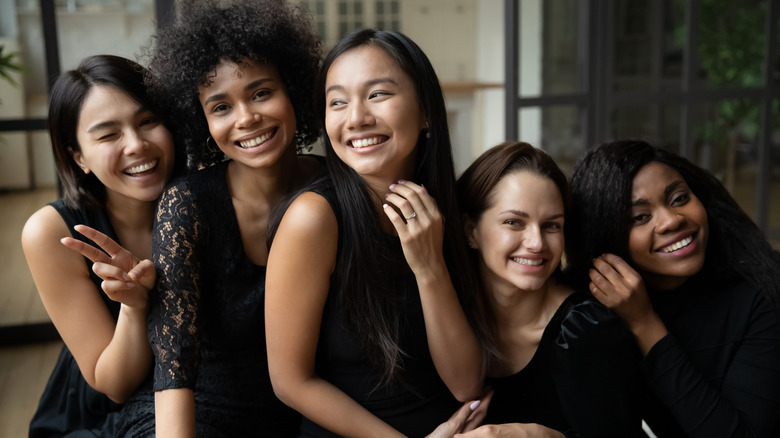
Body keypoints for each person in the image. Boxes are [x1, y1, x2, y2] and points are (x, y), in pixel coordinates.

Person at [265, 29, 488, 437]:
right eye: (337, 102)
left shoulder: (445, 208)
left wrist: (429, 266)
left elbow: (466, 383)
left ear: (426, 112)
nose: (356, 118)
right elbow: (290, 382)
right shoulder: (313, 219)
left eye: (378, 94)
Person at [116, 1, 323, 436]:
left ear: (295, 91)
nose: (247, 118)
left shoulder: (333, 186)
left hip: (308, 410)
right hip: (198, 413)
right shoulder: (186, 206)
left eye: (262, 92)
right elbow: (176, 362)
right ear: (202, 121)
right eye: (220, 107)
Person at [567, 139, 780, 437]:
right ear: (606, 240)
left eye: (679, 198)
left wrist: (644, 322)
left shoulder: (762, 287)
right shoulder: (592, 316)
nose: (672, 220)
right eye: (640, 217)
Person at [22, 54, 176, 437]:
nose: (137, 145)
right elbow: (115, 386)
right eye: (109, 135)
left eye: (148, 122)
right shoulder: (51, 232)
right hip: (99, 415)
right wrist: (133, 308)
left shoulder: (203, 197)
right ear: (79, 157)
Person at [453, 141, 644, 437]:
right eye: (514, 222)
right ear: (471, 231)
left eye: (552, 226)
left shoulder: (586, 329)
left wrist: (539, 436)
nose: (537, 243)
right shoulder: (448, 316)